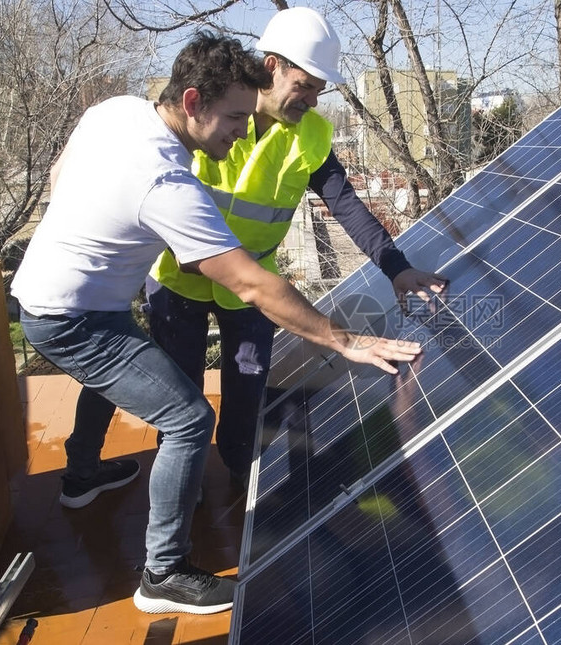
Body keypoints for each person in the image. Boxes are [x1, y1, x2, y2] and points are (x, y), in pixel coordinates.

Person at [11, 32, 422, 615]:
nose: (240, 127)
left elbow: (61, 170)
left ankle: (84, 477)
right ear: (193, 102)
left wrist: (79, 234)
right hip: (81, 315)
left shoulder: (118, 111)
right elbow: (250, 283)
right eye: (233, 115)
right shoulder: (166, 182)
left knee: (140, 383)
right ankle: (164, 573)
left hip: (68, 295)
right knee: (186, 415)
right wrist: (344, 340)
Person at [146, 7, 447, 485]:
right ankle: (183, 489)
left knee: (247, 394)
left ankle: (241, 490)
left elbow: (346, 206)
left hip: (254, 288)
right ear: (272, 67)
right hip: (178, 277)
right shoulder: (208, 115)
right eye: (304, 84)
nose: (311, 99)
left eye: (319, 90)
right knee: (180, 395)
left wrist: (397, 268)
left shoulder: (311, 136)